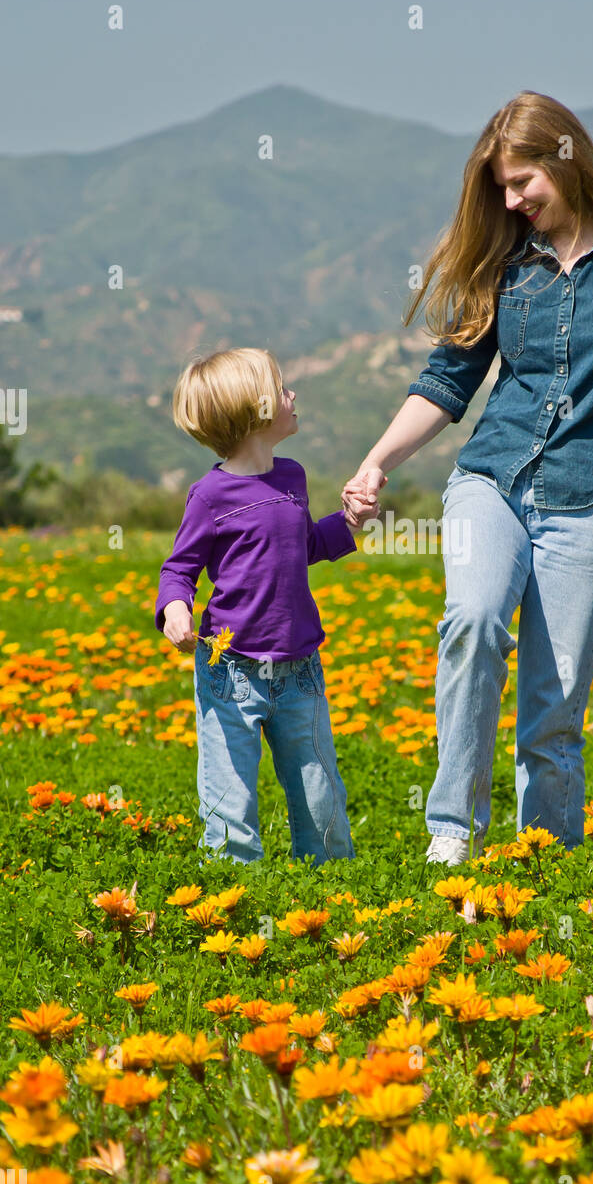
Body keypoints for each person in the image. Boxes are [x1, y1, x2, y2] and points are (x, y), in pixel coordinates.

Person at [342, 90, 593, 867]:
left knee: (553, 707)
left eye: (522, 184)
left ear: (565, 158)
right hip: (494, 480)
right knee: (475, 622)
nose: (511, 202)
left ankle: (541, 865)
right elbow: (447, 382)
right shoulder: (504, 263)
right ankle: (453, 832)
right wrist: (377, 462)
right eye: (502, 190)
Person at [155, 346, 364, 866]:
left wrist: (349, 523)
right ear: (256, 412)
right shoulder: (209, 496)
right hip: (230, 672)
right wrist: (175, 609)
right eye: (283, 387)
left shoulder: (292, 477)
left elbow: (301, 547)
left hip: (300, 671)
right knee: (230, 801)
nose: (294, 395)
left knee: (321, 797)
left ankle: (333, 887)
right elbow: (178, 569)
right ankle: (235, 895)